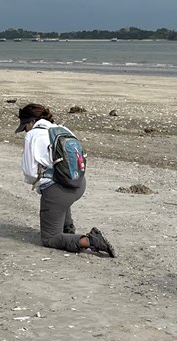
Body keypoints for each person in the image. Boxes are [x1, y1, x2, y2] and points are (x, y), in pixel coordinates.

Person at [15, 103, 113, 257]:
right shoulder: (63, 129)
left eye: (25, 126)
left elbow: (30, 173)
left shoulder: (33, 135)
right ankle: (68, 230)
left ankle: (91, 241)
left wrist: (37, 183)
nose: (25, 130)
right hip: (78, 183)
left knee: (49, 238)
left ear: (31, 122)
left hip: (58, 192)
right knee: (60, 198)